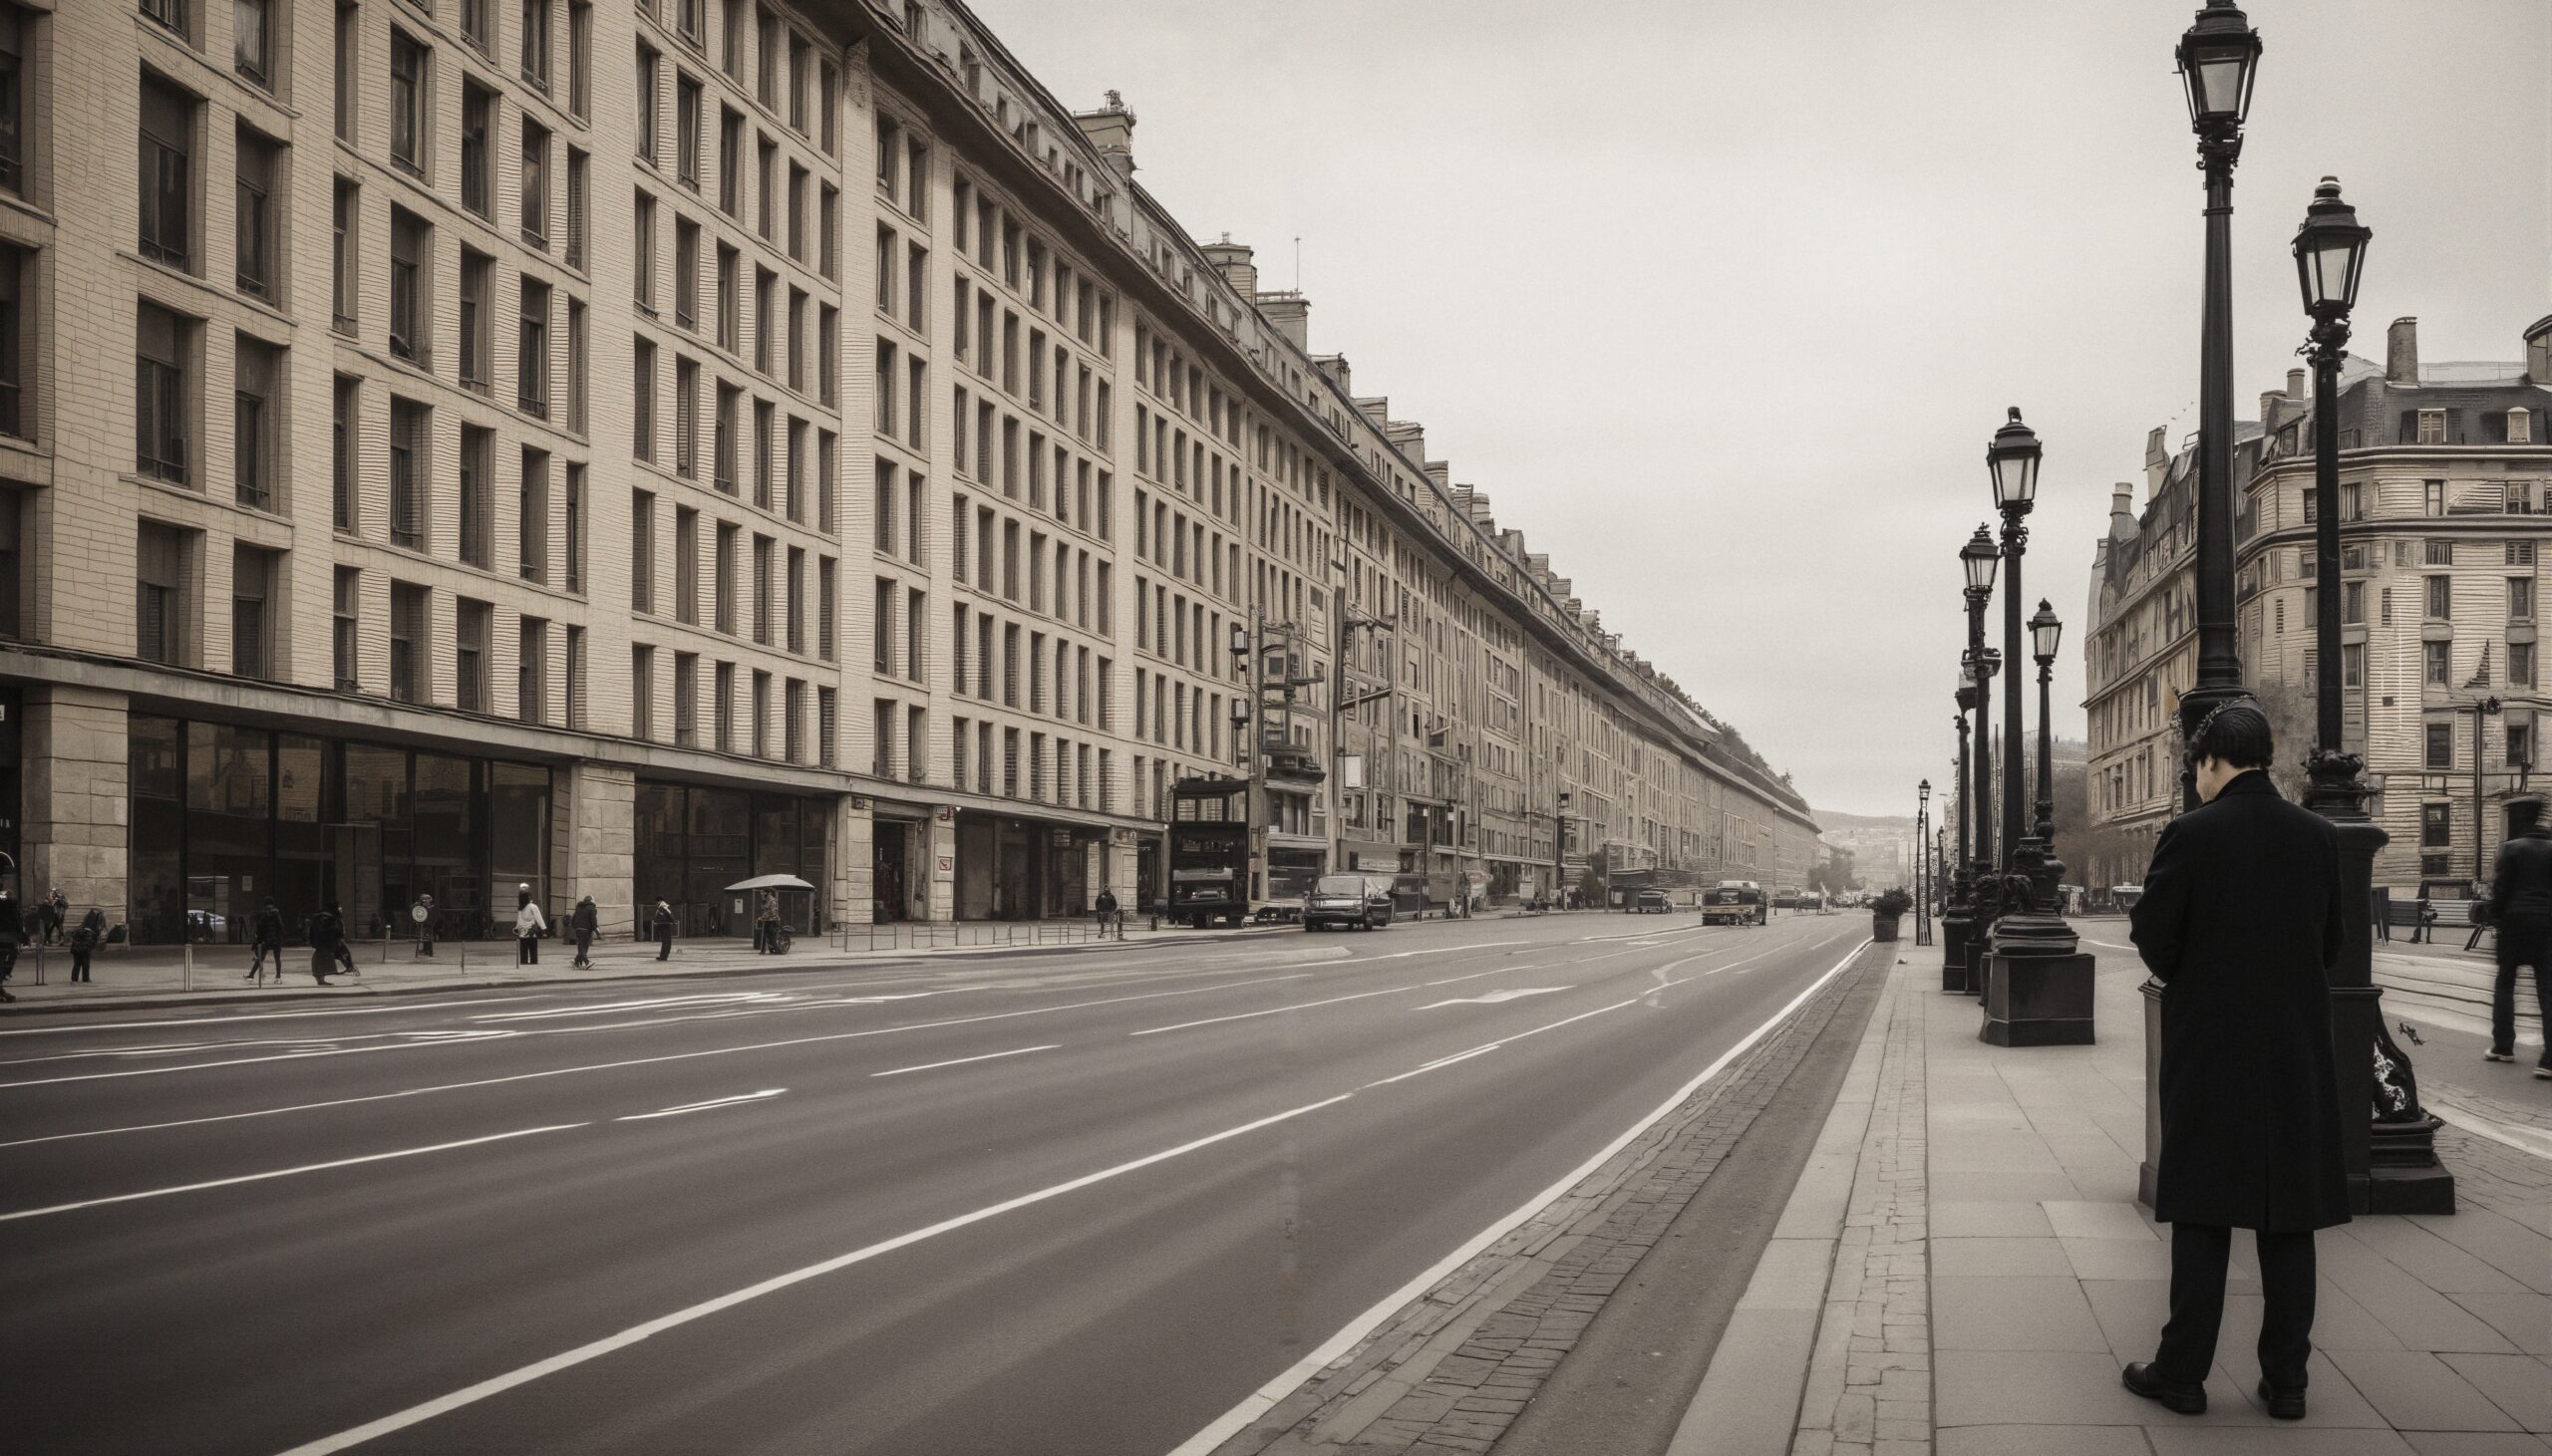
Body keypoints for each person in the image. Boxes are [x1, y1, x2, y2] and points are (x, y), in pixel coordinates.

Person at [2124, 700, 2348, 1421]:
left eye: (2198, 768)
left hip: (2211, 1045)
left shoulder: (2189, 834)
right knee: (2290, 1217)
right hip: (2292, 1046)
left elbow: (2155, 936)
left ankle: (2183, 1373)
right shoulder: (2318, 836)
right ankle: (2287, 1381)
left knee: (2201, 1212)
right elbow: (2332, 943)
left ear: (2211, 760)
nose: (2198, 781)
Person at [2485, 818, 2552, 1078]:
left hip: (2513, 923)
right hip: (2546, 924)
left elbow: (2500, 888)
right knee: (2547, 990)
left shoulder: (2511, 848)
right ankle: (2548, 1060)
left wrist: (2495, 917)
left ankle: (2503, 1046)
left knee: (2505, 983)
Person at [307, 903, 352, 986]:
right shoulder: (329, 918)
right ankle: (321, 979)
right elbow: (331, 930)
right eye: (338, 908)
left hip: (321, 943)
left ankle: (320, 979)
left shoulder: (323, 917)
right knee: (322, 960)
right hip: (326, 943)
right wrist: (337, 934)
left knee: (320, 959)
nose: (340, 909)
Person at [248, 896, 286, 981]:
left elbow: (261, 928)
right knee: (277, 958)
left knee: (260, 958)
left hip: (266, 940)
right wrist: (281, 937)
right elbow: (281, 926)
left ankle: (251, 975)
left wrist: (259, 939)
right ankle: (278, 976)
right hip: (276, 940)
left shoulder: (263, 914)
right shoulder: (277, 914)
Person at [69, 906, 106, 983]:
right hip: (85, 949)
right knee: (85, 964)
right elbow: (90, 941)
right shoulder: (92, 931)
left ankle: (74, 978)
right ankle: (85, 978)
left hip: (76, 948)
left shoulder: (81, 928)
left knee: (77, 963)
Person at [514, 885, 547, 966]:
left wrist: (516, 928)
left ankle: (524, 963)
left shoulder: (520, 908)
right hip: (531, 932)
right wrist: (544, 929)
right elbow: (539, 918)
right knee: (533, 950)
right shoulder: (533, 906)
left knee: (523, 950)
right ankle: (533, 964)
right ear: (529, 897)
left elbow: (519, 920)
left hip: (522, 932)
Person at [0, 889, 21, 1002]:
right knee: (8, 957)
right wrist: (21, 936)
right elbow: (18, 921)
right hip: (9, 938)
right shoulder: (12, 908)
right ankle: (6, 974)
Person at [570, 895, 598, 969]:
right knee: (584, 947)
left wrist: (575, 927)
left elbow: (573, 919)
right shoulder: (592, 908)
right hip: (586, 930)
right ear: (591, 901)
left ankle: (576, 961)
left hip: (578, 930)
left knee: (581, 946)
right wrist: (596, 929)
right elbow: (593, 920)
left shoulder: (579, 908)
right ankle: (587, 962)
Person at [756, 889, 783, 954]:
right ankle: (765, 950)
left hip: (772, 920)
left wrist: (763, 917)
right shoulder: (767, 900)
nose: (762, 894)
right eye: (761, 892)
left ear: (768, 893)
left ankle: (778, 950)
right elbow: (766, 911)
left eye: (763, 892)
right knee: (766, 935)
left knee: (771, 936)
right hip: (768, 920)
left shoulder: (772, 900)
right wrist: (762, 917)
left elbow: (772, 912)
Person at [411, 892, 437, 958]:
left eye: (426, 899)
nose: (425, 901)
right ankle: (425, 949)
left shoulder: (431, 907)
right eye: (424, 900)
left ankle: (429, 950)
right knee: (425, 936)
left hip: (428, 923)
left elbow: (432, 915)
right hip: (424, 922)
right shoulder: (422, 906)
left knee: (428, 936)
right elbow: (413, 908)